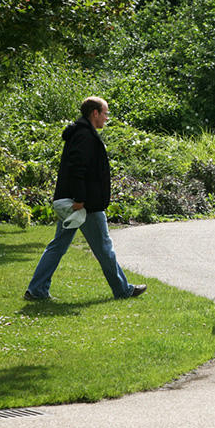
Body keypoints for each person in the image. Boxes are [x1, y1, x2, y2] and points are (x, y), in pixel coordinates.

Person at [24, 97, 147, 300]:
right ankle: (123, 290)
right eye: (105, 113)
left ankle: (36, 289)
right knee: (104, 248)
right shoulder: (85, 136)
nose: (107, 118)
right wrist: (80, 199)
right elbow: (77, 169)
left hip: (78, 202)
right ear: (95, 113)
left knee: (58, 246)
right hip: (85, 205)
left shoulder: (80, 133)